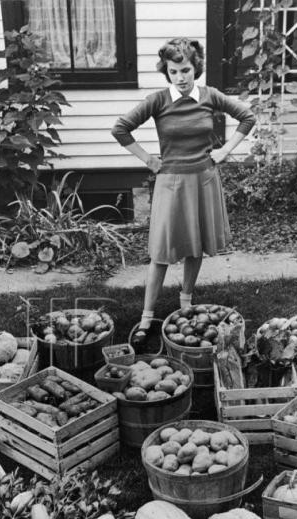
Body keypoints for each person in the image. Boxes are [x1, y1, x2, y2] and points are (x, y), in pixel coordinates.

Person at [111, 37, 254, 346]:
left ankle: (186, 300)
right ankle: (147, 315)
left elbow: (248, 117)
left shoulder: (210, 96)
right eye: (174, 71)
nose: (181, 77)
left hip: (203, 180)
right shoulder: (158, 100)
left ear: (195, 68)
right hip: (171, 182)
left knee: (195, 244)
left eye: (186, 70)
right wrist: (149, 160)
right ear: (167, 72)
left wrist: (225, 151)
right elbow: (120, 129)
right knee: (161, 252)